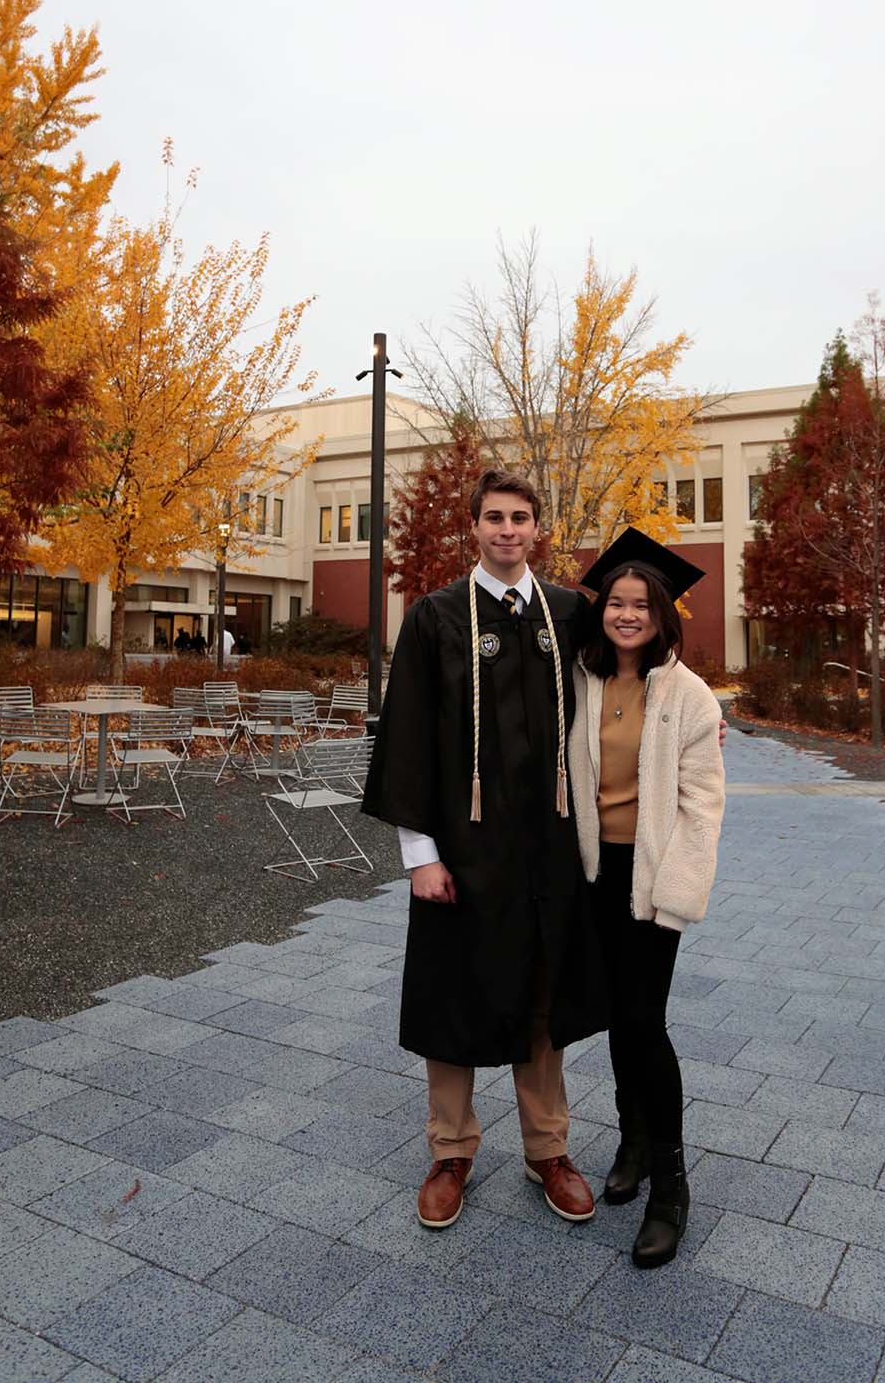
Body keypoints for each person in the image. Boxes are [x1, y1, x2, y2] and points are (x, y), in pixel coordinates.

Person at [362, 469, 606, 1232]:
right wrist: (419, 854)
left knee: (542, 998)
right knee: (453, 998)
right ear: (473, 527)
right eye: (494, 518)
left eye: (521, 518)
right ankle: (451, 1152)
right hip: (462, 852)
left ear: (538, 530)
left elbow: (638, 667)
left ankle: (548, 1151)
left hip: (547, 849)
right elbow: (405, 739)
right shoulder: (435, 617)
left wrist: (698, 716)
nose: (507, 530)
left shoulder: (567, 612)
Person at [569, 528, 726, 1269]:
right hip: (592, 873)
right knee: (614, 1018)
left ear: (663, 615)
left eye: (641, 605)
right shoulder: (582, 676)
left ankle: (669, 1184)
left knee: (643, 1021)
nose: (626, 614)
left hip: (651, 878)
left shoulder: (688, 696)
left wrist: (676, 897)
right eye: (616, 603)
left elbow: (703, 807)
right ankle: (629, 1139)